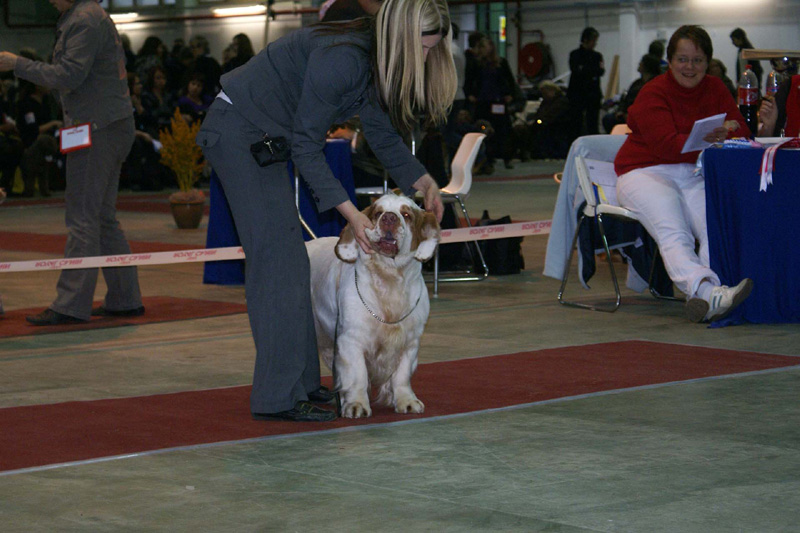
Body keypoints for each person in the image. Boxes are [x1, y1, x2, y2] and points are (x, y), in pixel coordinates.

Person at [196, 0, 452, 422]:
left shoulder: (373, 59)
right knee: (277, 263)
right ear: (402, 38)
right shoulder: (345, 58)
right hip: (238, 132)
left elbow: (381, 132)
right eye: (422, 48)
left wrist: (421, 180)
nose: (425, 58)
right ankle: (278, 397)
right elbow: (306, 148)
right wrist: (353, 215)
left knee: (292, 261)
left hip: (264, 137)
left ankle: (302, 383)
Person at [0, 0, 144, 325]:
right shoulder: (82, 16)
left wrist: (17, 64)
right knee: (103, 218)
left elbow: (69, 76)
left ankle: (70, 304)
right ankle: (125, 298)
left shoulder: (83, 19)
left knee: (82, 217)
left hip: (97, 128)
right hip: (107, 125)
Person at [614, 25, 753, 324]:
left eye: (698, 60)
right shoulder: (652, 92)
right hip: (643, 172)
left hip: (693, 170)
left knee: (714, 224)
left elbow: (741, 128)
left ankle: (706, 298)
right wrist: (714, 137)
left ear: (708, 62)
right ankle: (706, 289)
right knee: (673, 229)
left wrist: (721, 134)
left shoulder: (715, 88)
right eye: (682, 59)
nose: (690, 67)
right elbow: (666, 146)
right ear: (669, 60)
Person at [602, 54, 662, 133]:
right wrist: (622, 111)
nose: (639, 64)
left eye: (641, 62)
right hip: (628, 114)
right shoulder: (637, 83)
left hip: (641, 117)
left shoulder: (654, 85)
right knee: (608, 118)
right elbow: (625, 98)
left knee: (609, 120)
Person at [567, 27, 604, 135]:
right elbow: (576, 70)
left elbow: (600, 71)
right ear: (586, 40)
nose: (595, 43)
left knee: (593, 124)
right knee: (575, 125)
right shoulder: (574, 55)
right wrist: (591, 71)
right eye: (593, 40)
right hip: (577, 94)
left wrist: (584, 69)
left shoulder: (597, 56)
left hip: (593, 95)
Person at [188, 35, 222, 100]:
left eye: (194, 47)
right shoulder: (194, 63)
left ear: (202, 47)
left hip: (206, 96)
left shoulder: (208, 63)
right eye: (191, 47)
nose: (193, 50)